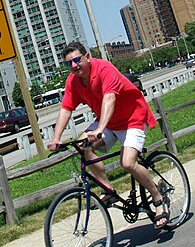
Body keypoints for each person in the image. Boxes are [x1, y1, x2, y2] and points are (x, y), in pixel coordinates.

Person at [46, 41, 169, 229]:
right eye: (69, 63)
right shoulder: (73, 81)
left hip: (132, 119)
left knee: (127, 163)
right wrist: (56, 138)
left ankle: (158, 198)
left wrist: (99, 129)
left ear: (87, 57)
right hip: (108, 123)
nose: (74, 65)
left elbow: (109, 98)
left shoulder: (104, 68)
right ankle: (108, 190)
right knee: (82, 145)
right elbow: (66, 108)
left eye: (77, 60)